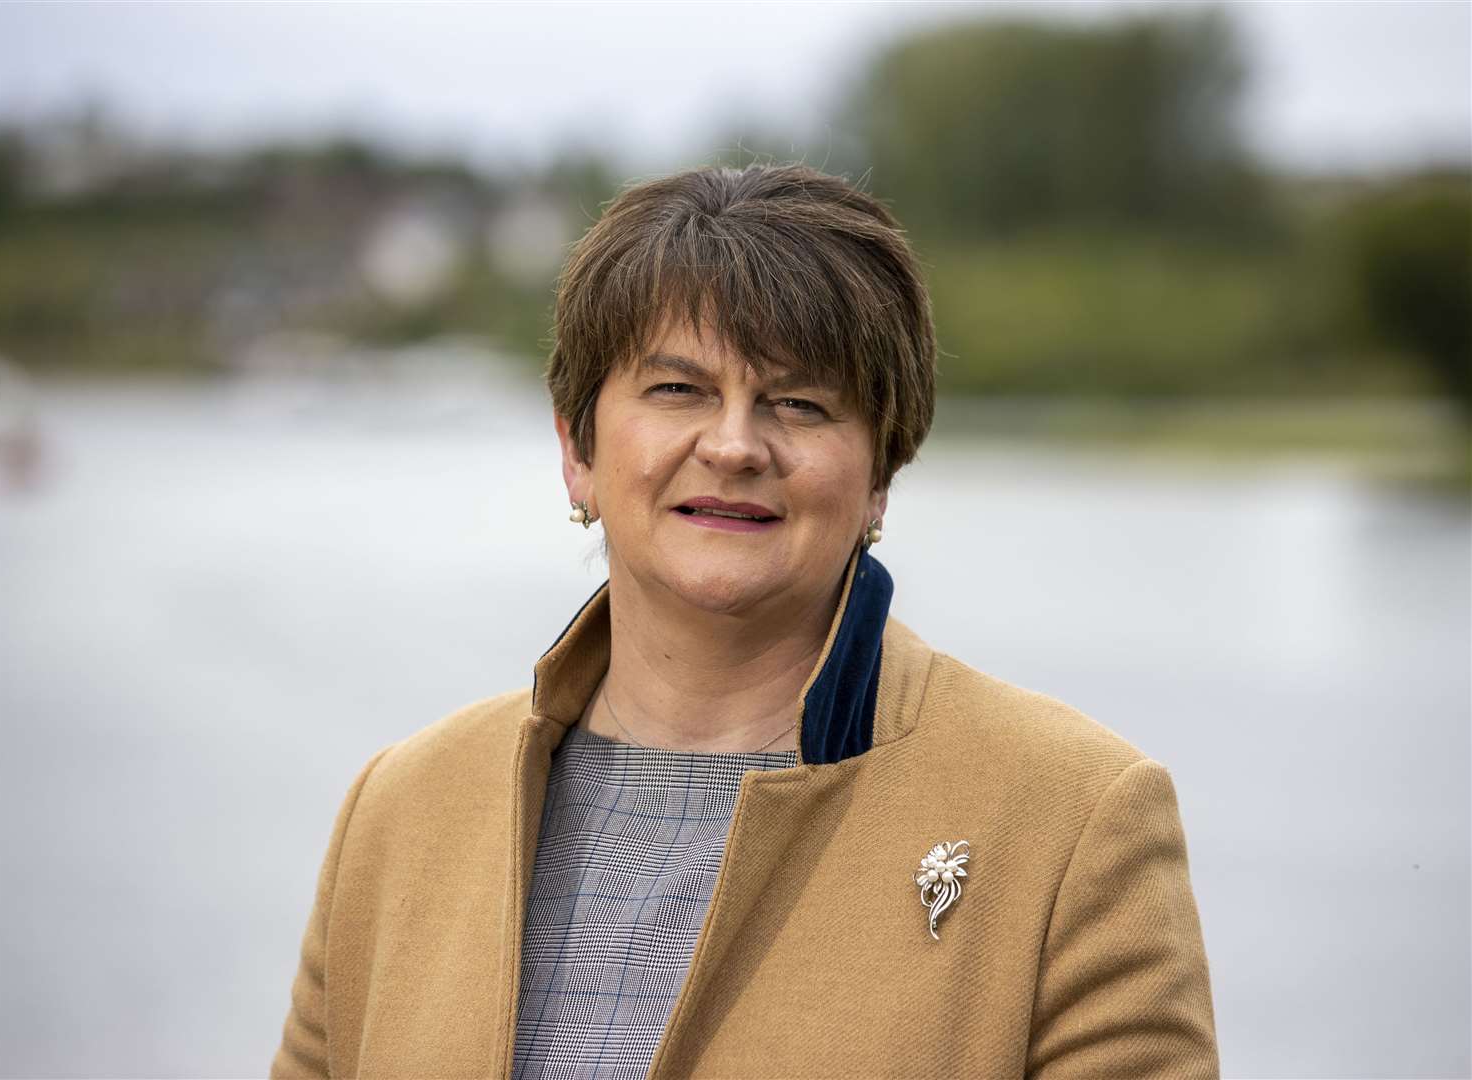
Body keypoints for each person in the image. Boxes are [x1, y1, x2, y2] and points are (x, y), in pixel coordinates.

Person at [271, 164, 1218, 1079]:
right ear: (578, 450)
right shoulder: (399, 811)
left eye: (798, 404)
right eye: (676, 389)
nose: (732, 445)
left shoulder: (1073, 819)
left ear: (881, 474)